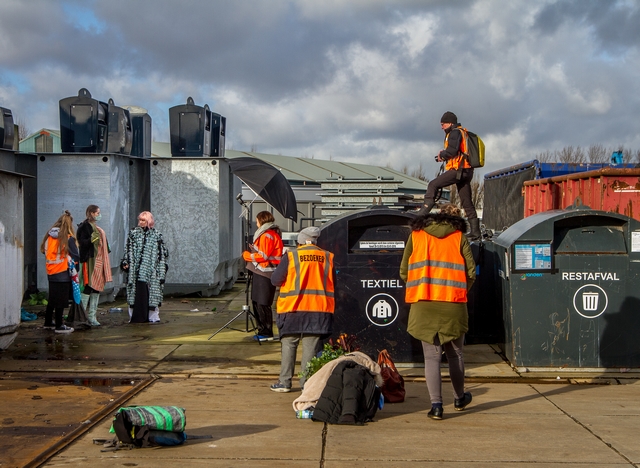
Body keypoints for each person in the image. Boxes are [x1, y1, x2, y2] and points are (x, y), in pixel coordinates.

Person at [399, 203, 476, 420]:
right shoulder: (459, 237)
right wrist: (458, 290)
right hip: (453, 302)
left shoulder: (417, 235)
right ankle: (459, 397)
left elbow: (404, 270)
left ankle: (436, 407)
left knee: (431, 358)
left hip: (424, 301)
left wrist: (421, 286)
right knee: (455, 354)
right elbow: (471, 272)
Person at [270, 226, 335, 393]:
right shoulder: (327, 257)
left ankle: (284, 382)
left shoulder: (291, 256)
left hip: (292, 309)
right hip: (317, 310)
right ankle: (306, 384)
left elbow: (276, 280)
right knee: (310, 348)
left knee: (289, 344)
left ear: (299, 242)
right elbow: (334, 283)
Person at [421, 111, 481, 240]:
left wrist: (442, 155)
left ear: (450, 123)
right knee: (467, 202)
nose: (441, 127)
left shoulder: (454, 133)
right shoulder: (463, 132)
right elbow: (458, 151)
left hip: (458, 171)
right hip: (467, 171)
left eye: (443, 124)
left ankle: (421, 215)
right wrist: (442, 157)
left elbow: (452, 151)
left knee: (433, 185)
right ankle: (476, 232)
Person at [242, 211, 283, 340]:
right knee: (258, 301)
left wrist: (248, 256)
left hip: (265, 272)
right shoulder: (269, 234)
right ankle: (263, 330)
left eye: (257, 220)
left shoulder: (267, 235)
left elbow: (263, 256)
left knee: (262, 302)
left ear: (261, 220)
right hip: (264, 271)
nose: (256, 223)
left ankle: (265, 332)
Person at [121, 211, 168, 324]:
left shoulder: (156, 235)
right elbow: (128, 250)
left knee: (152, 293)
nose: (141, 222)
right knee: (134, 293)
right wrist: (126, 262)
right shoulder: (133, 234)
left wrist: (161, 272)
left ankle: (152, 317)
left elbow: (162, 255)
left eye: (143, 220)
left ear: (149, 221)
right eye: (140, 220)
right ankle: (135, 316)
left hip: (152, 271)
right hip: (135, 270)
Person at [40, 210, 79, 334]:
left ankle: (48, 322)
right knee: (61, 301)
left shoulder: (49, 236)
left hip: (51, 271)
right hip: (62, 272)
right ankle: (59, 325)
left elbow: (44, 250)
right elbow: (76, 256)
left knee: (53, 298)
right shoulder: (68, 238)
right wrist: (74, 270)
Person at [76, 205, 112, 326]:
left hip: (98, 261)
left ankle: (92, 315)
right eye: (97, 213)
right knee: (88, 285)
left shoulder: (96, 228)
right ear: (91, 213)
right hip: (90, 260)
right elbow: (81, 243)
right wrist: (91, 240)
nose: (99, 215)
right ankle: (82, 316)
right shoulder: (85, 226)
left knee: (97, 287)